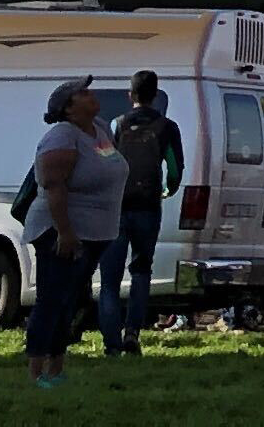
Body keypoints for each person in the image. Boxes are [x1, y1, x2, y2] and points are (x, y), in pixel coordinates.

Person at [23, 79, 127, 383]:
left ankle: (56, 368)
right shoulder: (62, 136)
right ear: (68, 109)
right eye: (82, 93)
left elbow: (108, 165)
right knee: (52, 300)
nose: (91, 95)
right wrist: (65, 232)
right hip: (61, 232)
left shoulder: (100, 129)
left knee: (70, 301)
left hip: (95, 232)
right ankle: (36, 372)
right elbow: (53, 185)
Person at [104, 71, 183, 355]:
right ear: (155, 95)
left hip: (117, 207)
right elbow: (174, 169)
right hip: (148, 207)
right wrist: (167, 191)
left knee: (110, 280)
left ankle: (111, 343)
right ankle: (132, 333)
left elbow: (106, 163)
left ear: (131, 95)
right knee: (140, 271)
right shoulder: (167, 127)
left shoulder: (117, 124)